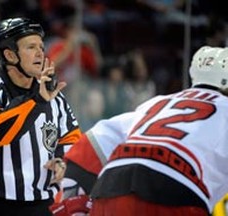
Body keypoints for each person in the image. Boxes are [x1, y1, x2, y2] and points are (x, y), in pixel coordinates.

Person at [58, 46, 228, 216]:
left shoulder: (158, 103)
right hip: (176, 189)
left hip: (113, 182)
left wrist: (72, 199)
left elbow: (93, 143)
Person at [0, 17, 82, 216]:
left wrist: (63, 160)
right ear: (10, 55)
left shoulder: (56, 97)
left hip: (42, 206)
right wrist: (36, 101)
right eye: (30, 47)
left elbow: (72, 138)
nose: (40, 53)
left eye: (41, 46)